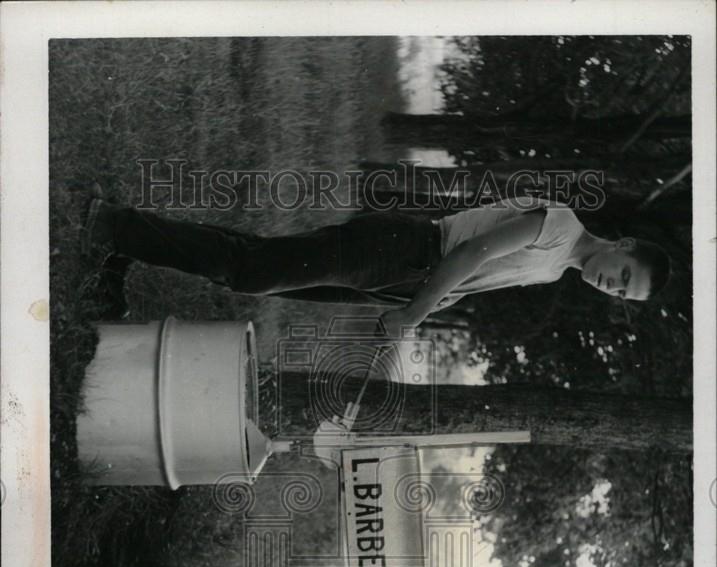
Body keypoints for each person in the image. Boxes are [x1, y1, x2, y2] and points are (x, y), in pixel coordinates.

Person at [83, 187, 671, 333]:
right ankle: (112, 225)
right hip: (407, 251)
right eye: (622, 276)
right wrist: (417, 314)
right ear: (621, 247)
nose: (609, 286)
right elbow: (471, 251)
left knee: (258, 272)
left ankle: (124, 242)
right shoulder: (560, 226)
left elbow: (474, 276)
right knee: (254, 270)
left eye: (621, 293)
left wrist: (410, 305)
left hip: (402, 278)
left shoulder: (558, 265)